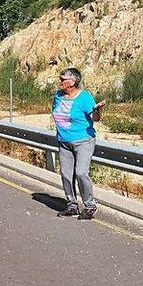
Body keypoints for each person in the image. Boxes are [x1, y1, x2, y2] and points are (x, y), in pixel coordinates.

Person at [53, 67, 106, 220]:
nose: (60, 82)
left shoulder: (85, 97)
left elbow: (95, 119)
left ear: (72, 82)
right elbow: (56, 113)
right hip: (64, 141)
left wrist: (96, 111)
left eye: (63, 80)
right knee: (66, 174)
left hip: (83, 141)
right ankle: (72, 205)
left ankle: (90, 205)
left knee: (81, 173)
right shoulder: (57, 96)